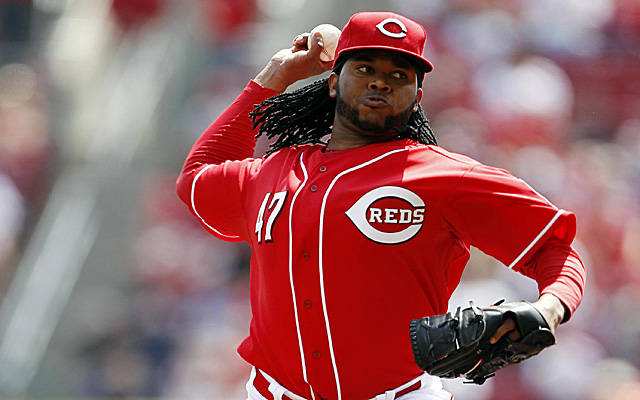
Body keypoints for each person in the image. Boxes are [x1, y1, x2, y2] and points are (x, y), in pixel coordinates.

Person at [176, 11, 586, 400]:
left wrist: (549, 309)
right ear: (334, 82)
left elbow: (556, 248)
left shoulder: (442, 178)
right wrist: (274, 78)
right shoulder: (272, 171)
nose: (381, 83)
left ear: (417, 94)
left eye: (398, 74)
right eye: (365, 68)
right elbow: (195, 179)